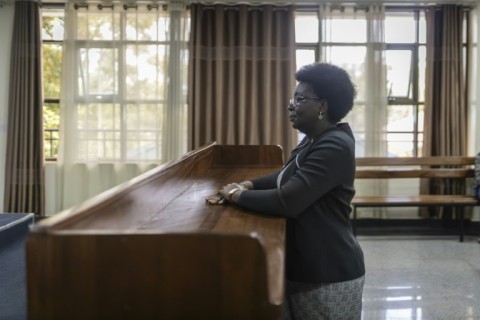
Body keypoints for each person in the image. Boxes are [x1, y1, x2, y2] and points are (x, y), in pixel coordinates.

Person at [218, 62, 365, 320]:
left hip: (327, 271)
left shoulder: (334, 145)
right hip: (304, 263)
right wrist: (248, 185)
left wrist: (235, 195)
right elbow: (288, 176)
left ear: (323, 105)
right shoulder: (314, 139)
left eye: (300, 98)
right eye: (293, 97)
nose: (291, 105)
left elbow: (287, 201)